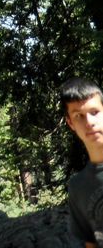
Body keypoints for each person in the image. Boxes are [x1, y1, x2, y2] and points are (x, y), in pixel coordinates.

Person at [62, 76, 103, 246]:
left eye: (94, 112)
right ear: (70, 123)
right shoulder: (78, 186)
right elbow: (91, 243)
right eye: (79, 116)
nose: (89, 122)